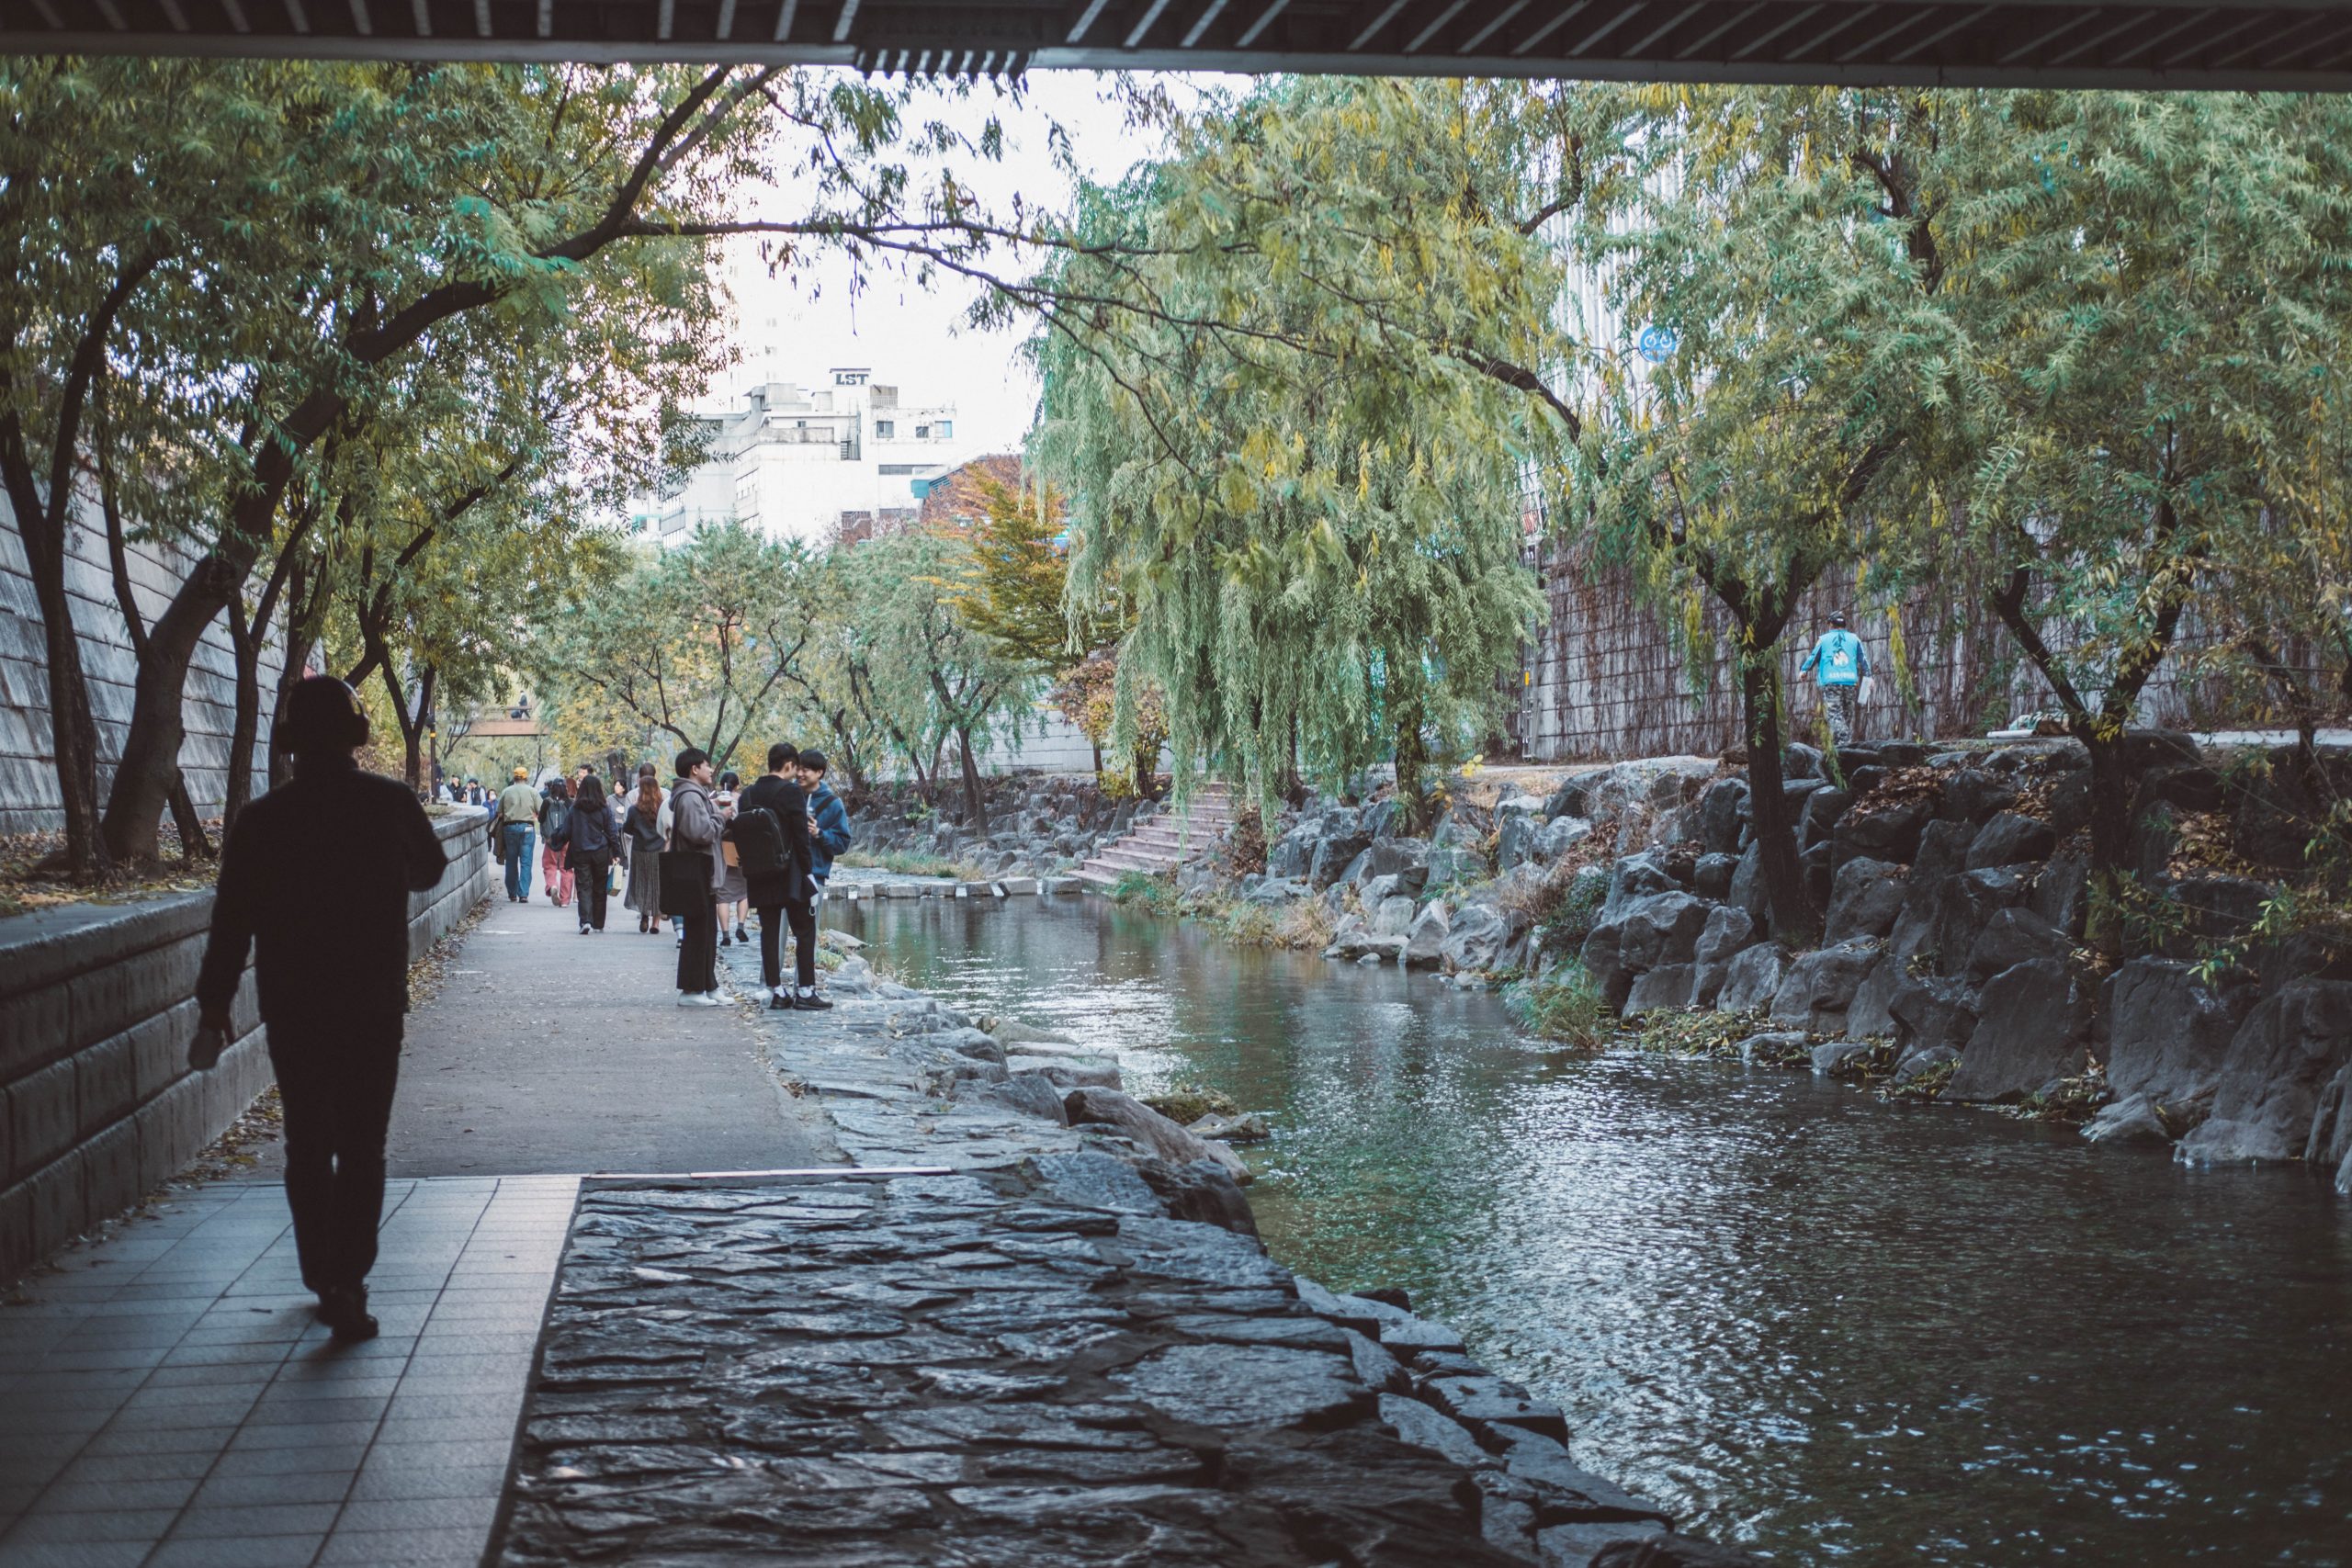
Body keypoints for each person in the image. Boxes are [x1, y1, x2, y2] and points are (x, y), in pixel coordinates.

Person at [188, 677, 447, 1342]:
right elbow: (432, 867)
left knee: (308, 1139)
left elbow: (232, 921)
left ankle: (319, 1272)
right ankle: (347, 1281)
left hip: (294, 1004)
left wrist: (214, 1005)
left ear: (292, 744)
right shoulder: (389, 803)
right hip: (372, 1000)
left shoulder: (262, 820)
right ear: (353, 739)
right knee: (364, 1143)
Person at [736, 743, 817, 1010]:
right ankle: (805, 991)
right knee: (804, 931)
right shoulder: (791, 792)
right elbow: (800, 838)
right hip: (790, 873)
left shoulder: (747, 794)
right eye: (796, 768)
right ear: (789, 765)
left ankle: (777, 991)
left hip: (759, 873)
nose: (797, 774)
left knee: (769, 934)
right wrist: (808, 873)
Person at [668, 749, 728, 1005]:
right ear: (695, 769)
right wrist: (721, 817)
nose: (711, 770)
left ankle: (707, 985)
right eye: (707, 765)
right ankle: (692, 990)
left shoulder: (695, 795)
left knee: (707, 931)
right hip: (696, 871)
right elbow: (699, 833)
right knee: (697, 932)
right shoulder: (690, 797)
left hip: (702, 871)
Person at [1797, 610, 1871, 749]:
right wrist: (1869, 677)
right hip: (1850, 682)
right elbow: (1864, 660)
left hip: (1831, 682)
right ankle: (1841, 746)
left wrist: (1804, 670)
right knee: (1846, 715)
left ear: (1830, 624)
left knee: (1834, 715)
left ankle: (1843, 744)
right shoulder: (1854, 639)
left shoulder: (1824, 639)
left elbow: (1814, 656)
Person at [797, 750, 852, 914]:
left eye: (805, 770)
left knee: (809, 934)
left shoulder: (833, 803)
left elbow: (842, 844)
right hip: (784, 875)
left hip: (814, 876)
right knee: (778, 933)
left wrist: (819, 834)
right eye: (797, 769)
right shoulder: (788, 795)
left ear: (819, 772)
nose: (799, 774)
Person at [621, 765, 667, 934]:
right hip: (659, 851)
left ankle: (644, 916)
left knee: (641, 883)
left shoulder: (634, 809)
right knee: (657, 885)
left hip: (640, 851)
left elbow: (627, 829)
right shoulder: (662, 807)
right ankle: (656, 923)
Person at [569, 770, 615, 933]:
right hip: (601, 852)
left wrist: (556, 841)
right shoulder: (604, 809)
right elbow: (612, 831)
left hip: (581, 851)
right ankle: (599, 923)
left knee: (584, 885)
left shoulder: (575, 809)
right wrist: (616, 852)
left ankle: (586, 921)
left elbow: (567, 829)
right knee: (600, 887)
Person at [713, 770, 748, 946]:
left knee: (723, 896)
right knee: (743, 892)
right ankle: (740, 926)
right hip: (741, 847)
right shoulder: (743, 799)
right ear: (737, 785)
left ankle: (725, 934)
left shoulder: (716, 800)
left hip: (721, 848)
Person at [495, 765, 538, 901]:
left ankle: (512, 893)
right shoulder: (533, 792)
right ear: (526, 777)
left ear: (514, 777)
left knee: (511, 861)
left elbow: (499, 812)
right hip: (527, 828)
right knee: (526, 862)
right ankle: (524, 893)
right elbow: (540, 809)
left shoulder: (506, 791)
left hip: (510, 828)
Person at [537, 776, 574, 908]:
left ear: (551, 788)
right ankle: (565, 900)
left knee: (549, 866)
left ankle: (552, 885)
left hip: (550, 840)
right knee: (567, 869)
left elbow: (541, 820)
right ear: (565, 788)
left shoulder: (546, 802)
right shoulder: (570, 803)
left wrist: (546, 836)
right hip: (566, 840)